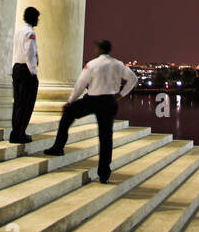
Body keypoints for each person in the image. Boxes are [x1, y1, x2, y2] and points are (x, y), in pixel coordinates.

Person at [44, 40, 138, 182]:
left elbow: (80, 85)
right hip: (109, 101)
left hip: (93, 100)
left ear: (99, 49)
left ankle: (58, 146)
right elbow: (133, 78)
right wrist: (121, 94)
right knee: (106, 138)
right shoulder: (118, 64)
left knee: (68, 114)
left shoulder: (92, 64)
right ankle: (104, 174)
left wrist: (70, 102)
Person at [10, 6, 39, 144]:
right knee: (26, 103)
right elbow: (30, 52)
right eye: (37, 18)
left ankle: (15, 131)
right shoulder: (30, 33)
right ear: (33, 18)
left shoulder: (19, 31)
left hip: (16, 67)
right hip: (26, 70)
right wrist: (33, 71)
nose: (38, 20)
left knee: (18, 102)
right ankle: (19, 133)